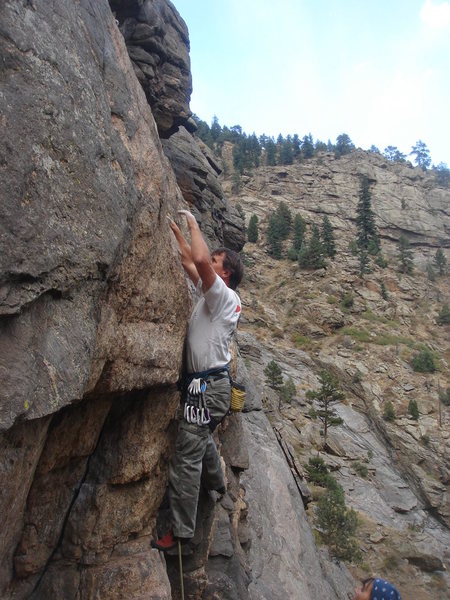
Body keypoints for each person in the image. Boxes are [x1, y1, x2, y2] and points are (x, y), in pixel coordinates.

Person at [152, 209, 243, 552]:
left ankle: (181, 532)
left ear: (225, 272)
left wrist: (192, 223)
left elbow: (200, 260)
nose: (210, 262)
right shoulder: (213, 297)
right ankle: (218, 484)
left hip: (207, 389)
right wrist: (177, 232)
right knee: (200, 434)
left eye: (217, 261)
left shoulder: (224, 298)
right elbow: (192, 264)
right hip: (207, 387)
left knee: (186, 454)